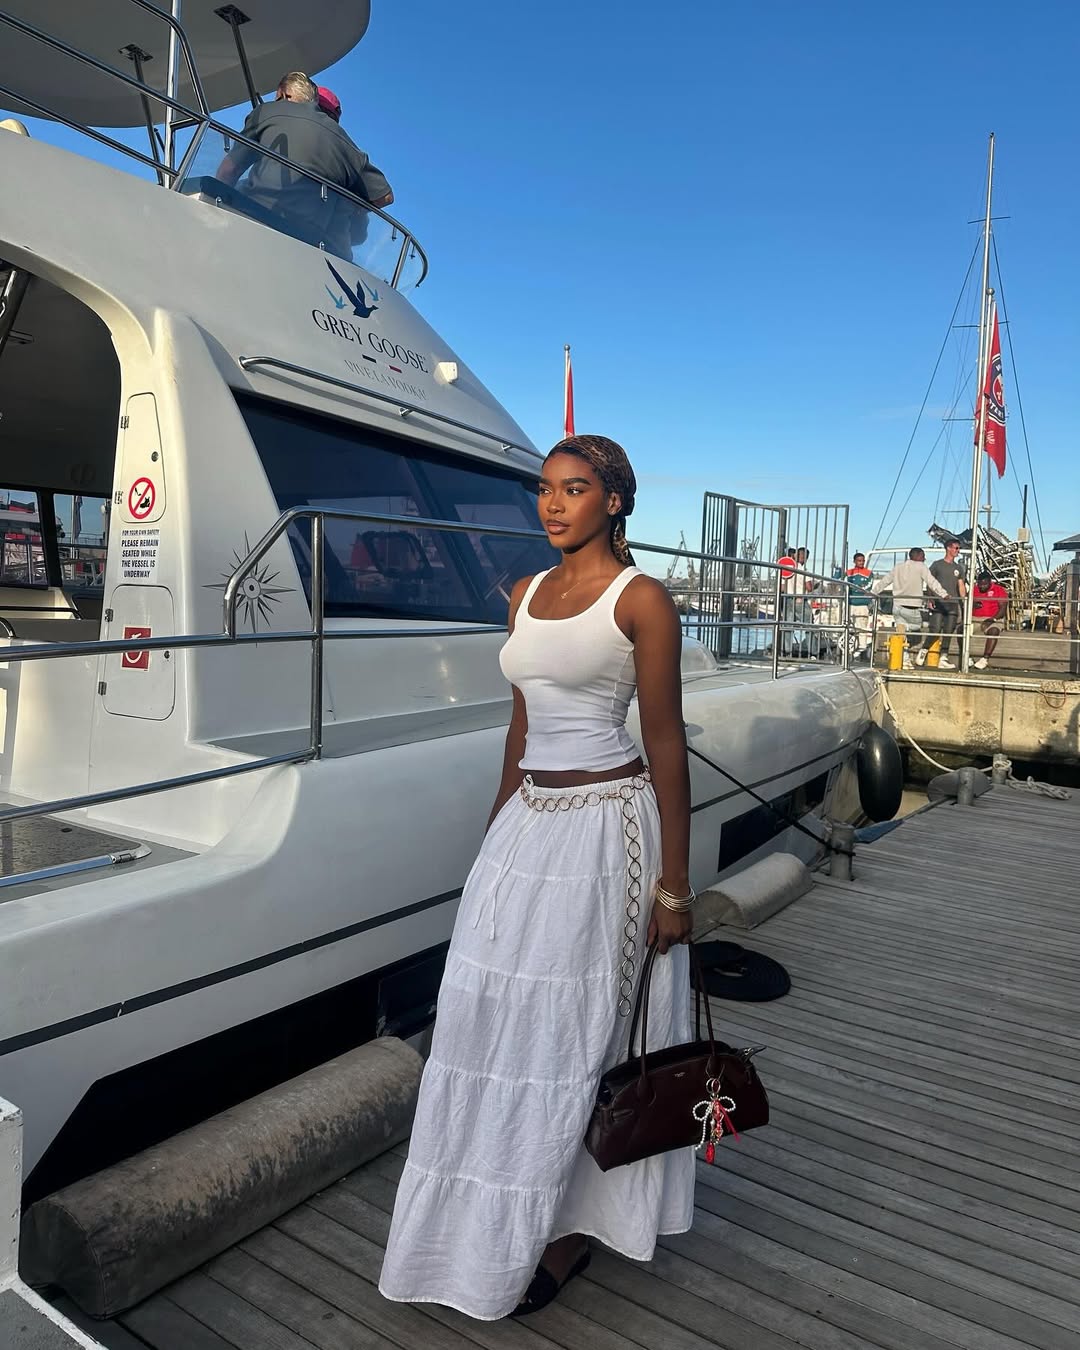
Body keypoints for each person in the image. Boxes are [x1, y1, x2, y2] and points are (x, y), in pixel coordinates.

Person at [379, 434, 695, 1321]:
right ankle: (486, 1214)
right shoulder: (521, 595)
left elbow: (666, 743)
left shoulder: (642, 601)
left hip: (607, 827)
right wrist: (494, 837)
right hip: (529, 821)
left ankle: (569, 1226)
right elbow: (519, 733)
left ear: (614, 501)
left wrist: (676, 885)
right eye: (546, 489)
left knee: (582, 1028)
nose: (553, 504)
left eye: (575, 489)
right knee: (491, 1019)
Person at [216, 72, 392, 249]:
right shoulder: (346, 144)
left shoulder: (266, 111)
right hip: (315, 248)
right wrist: (352, 207)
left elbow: (229, 171)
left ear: (285, 95)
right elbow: (385, 197)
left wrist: (215, 210)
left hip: (253, 221)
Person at [871, 547, 948, 668]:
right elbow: (932, 582)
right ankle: (906, 650)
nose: (924, 559)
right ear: (917, 556)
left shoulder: (898, 567)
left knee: (902, 632)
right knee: (916, 628)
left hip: (897, 605)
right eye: (923, 556)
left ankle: (905, 659)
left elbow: (885, 581)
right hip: (912, 606)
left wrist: (873, 592)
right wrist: (943, 594)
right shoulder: (921, 567)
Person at [916, 538, 967, 669]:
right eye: (956, 548)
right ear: (948, 548)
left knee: (949, 631)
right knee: (935, 628)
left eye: (959, 548)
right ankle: (923, 651)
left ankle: (943, 657)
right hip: (939, 602)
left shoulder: (958, 568)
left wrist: (964, 600)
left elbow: (961, 585)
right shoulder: (937, 565)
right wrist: (930, 598)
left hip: (952, 603)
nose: (958, 551)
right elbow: (930, 582)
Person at [971, 571, 1007, 669]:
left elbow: (1003, 609)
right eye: (980, 584)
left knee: (994, 631)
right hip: (975, 618)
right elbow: (966, 603)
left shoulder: (999, 590)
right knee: (961, 630)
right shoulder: (974, 589)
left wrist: (992, 620)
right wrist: (973, 605)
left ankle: (985, 659)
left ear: (990, 582)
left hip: (994, 618)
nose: (982, 586)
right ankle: (967, 657)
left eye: (985, 584)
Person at [845, 552, 874, 657]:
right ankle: (849, 648)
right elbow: (843, 584)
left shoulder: (869, 573)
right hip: (850, 604)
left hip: (862, 605)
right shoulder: (848, 572)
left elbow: (868, 587)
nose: (861, 563)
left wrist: (855, 589)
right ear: (854, 561)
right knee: (848, 627)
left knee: (862, 628)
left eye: (863, 561)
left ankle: (862, 648)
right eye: (859, 561)